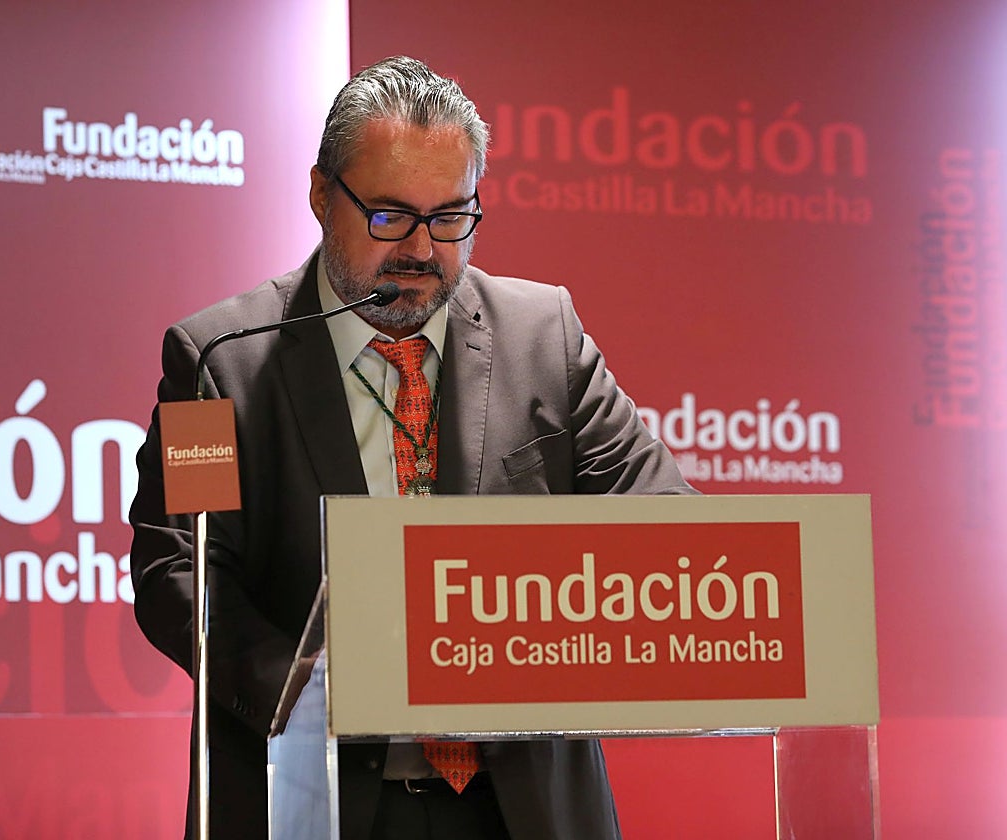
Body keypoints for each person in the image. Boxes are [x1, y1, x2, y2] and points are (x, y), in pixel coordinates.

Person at [129, 55, 694, 840]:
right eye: (390, 217)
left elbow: (667, 527)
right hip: (313, 798)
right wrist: (312, 689)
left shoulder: (545, 338)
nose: (423, 252)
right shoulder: (221, 360)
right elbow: (181, 575)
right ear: (324, 194)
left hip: (522, 807)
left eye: (451, 217)